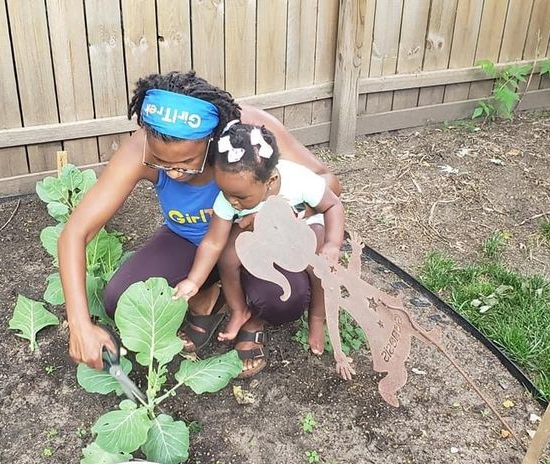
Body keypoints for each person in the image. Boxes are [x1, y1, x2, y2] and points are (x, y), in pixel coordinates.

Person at [59, 71, 340, 375]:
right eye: (160, 162)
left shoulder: (250, 135)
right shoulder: (139, 149)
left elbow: (328, 183)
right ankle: (211, 291)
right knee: (121, 299)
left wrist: (276, 210)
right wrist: (79, 324)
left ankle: (250, 316)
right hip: (191, 241)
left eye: (186, 163)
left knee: (283, 299)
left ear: (213, 140)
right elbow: (75, 232)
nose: (174, 173)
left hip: (257, 243)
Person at [172, 122, 345, 377]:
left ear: (270, 181)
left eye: (241, 198)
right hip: (257, 232)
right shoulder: (231, 195)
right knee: (228, 257)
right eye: (225, 193)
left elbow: (333, 206)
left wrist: (332, 244)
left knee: (317, 265)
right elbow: (212, 242)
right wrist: (193, 281)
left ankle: (317, 318)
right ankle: (239, 309)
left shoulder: (298, 179)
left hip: (301, 229)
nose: (232, 202)